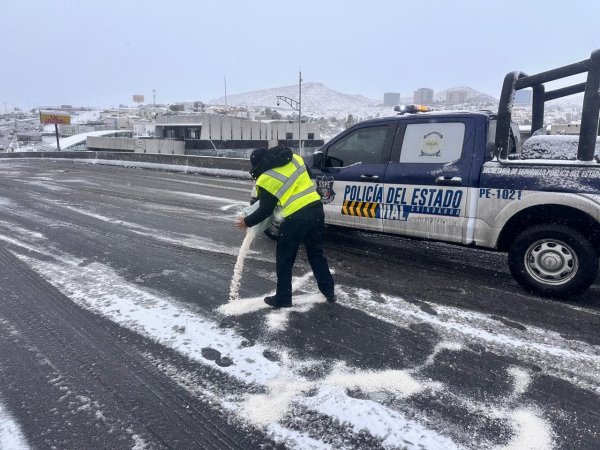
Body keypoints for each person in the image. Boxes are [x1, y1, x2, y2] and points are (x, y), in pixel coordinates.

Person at [235, 146, 336, 307]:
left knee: (285, 258)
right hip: (316, 210)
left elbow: (265, 210)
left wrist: (246, 222)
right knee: (316, 253)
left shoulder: (267, 178)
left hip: (295, 217)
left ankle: (283, 298)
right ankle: (329, 291)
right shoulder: (295, 159)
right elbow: (307, 177)